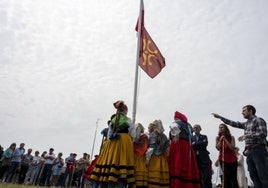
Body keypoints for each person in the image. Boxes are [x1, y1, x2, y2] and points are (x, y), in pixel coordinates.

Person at [212, 105, 268, 188]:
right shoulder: (246, 124)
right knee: (253, 175)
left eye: (244, 110)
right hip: (250, 152)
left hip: (258, 150)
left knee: (262, 175)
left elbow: (263, 134)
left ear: (250, 111)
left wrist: (247, 136)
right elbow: (234, 124)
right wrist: (221, 117)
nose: (242, 113)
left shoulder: (258, 120)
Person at [90, 100, 136, 188]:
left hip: (112, 144)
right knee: (122, 168)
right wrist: (130, 141)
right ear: (125, 111)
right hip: (124, 143)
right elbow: (133, 134)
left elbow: (109, 135)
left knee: (111, 166)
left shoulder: (113, 121)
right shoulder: (128, 120)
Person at [169, 111, 200, 188]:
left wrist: (175, 135)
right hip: (187, 146)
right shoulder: (188, 125)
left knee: (178, 162)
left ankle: (177, 185)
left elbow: (174, 126)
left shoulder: (177, 123)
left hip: (179, 145)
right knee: (187, 164)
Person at [146, 120, 169, 188]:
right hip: (163, 158)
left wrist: (147, 159)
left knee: (154, 176)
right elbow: (167, 150)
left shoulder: (153, 134)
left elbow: (151, 149)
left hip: (154, 158)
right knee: (162, 177)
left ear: (155, 126)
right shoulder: (164, 136)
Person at [215, 124, 239, 188]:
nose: (220, 129)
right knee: (226, 177)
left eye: (222, 127)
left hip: (232, 160)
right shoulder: (217, 138)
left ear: (225, 128)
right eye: (219, 127)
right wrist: (220, 140)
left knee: (233, 177)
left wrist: (225, 139)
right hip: (223, 159)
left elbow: (232, 148)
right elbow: (217, 148)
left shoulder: (231, 137)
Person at [133, 123, 149, 187]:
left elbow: (144, 147)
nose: (137, 130)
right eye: (136, 129)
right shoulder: (135, 138)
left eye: (138, 129)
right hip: (135, 156)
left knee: (139, 172)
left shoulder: (144, 137)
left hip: (140, 156)